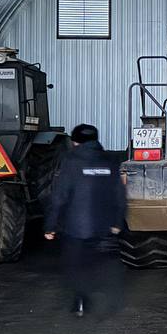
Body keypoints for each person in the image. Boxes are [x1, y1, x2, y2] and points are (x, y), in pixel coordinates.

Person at [44, 123, 127, 317]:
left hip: (77, 227)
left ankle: (81, 300)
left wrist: (50, 226)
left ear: (75, 142)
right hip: (105, 226)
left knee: (76, 264)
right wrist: (117, 223)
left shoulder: (71, 160)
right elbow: (119, 195)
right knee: (101, 263)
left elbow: (59, 196)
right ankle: (110, 304)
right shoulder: (110, 160)